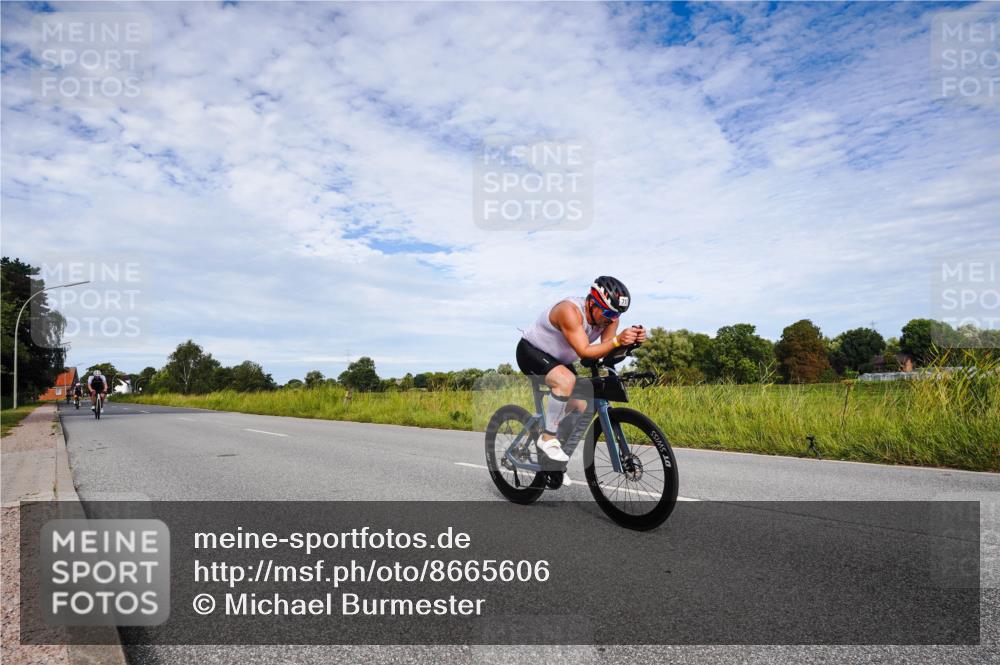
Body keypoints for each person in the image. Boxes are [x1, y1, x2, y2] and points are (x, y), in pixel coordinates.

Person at [515, 276, 646, 463]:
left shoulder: (610, 319)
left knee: (580, 406)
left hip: (560, 360)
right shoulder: (569, 311)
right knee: (565, 381)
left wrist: (630, 343)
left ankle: (551, 463)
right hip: (531, 351)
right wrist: (618, 340)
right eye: (608, 313)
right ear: (592, 303)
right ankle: (548, 439)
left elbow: (606, 352)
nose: (611, 320)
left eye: (616, 315)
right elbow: (585, 352)